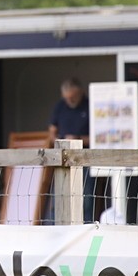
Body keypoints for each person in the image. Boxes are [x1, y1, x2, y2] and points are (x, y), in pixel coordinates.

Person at [47, 77, 96, 222]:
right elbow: (51, 131)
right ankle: (57, 226)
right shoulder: (60, 107)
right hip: (63, 157)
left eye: (73, 97)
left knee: (86, 198)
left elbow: (98, 137)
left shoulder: (90, 106)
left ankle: (85, 226)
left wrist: (77, 139)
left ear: (80, 92)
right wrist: (60, 141)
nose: (70, 101)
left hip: (85, 158)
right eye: (67, 98)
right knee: (59, 195)